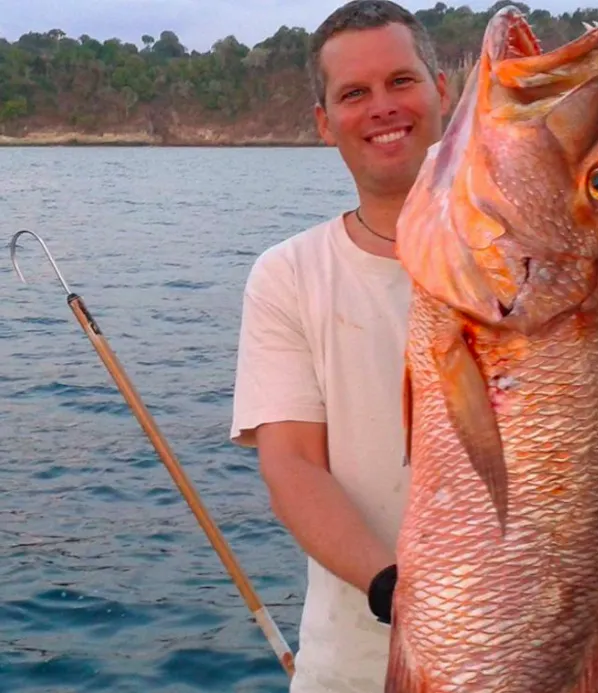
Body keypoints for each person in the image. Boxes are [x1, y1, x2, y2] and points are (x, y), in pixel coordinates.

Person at [229, 1, 451, 691]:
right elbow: (292, 464)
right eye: (354, 93)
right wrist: (398, 591)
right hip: (350, 669)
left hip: (535, 650)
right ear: (325, 123)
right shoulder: (288, 275)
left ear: (443, 92)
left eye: (401, 80)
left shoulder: (528, 260)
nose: (383, 107)